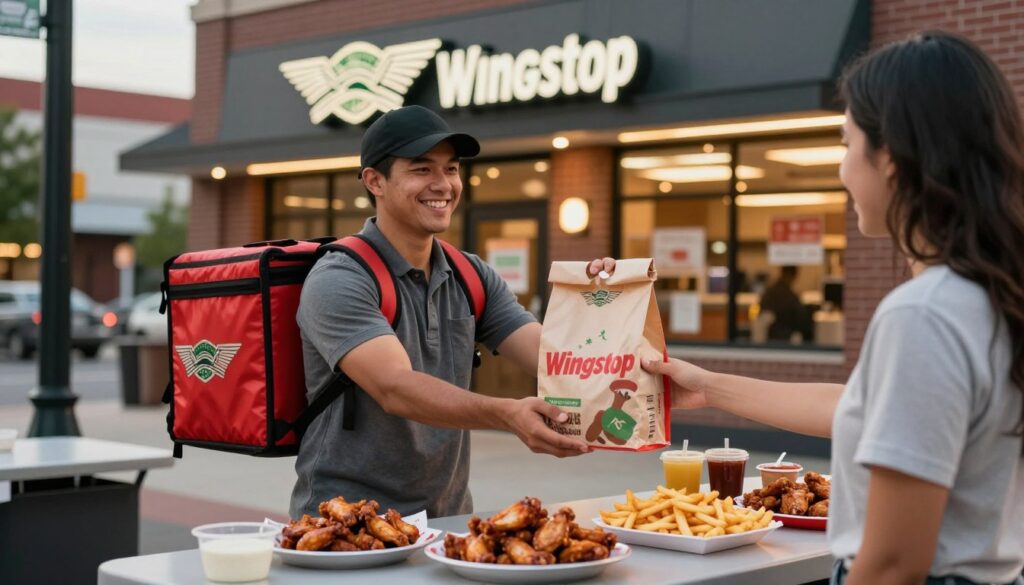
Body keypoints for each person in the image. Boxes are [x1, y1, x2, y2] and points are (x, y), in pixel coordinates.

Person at [644, 32, 1024, 585]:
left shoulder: (924, 314)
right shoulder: (991, 295)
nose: (842, 169)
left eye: (846, 144)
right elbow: (863, 410)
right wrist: (708, 386)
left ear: (890, 157)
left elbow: (894, 563)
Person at [290, 105, 614, 520]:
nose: (443, 185)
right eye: (422, 169)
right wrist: (505, 412)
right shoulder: (339, 277)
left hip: (447, 517)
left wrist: (599, 303)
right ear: (375, 181)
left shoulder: (471, 274)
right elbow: (395, 388)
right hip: (346, 521)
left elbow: (553, 357)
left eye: (452, 169)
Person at [759, 265, 813, 343]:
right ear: (792, 275)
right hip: (786, 339)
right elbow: (801, 319)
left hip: (770, 339)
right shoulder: (789, 295)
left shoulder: (769, 292)